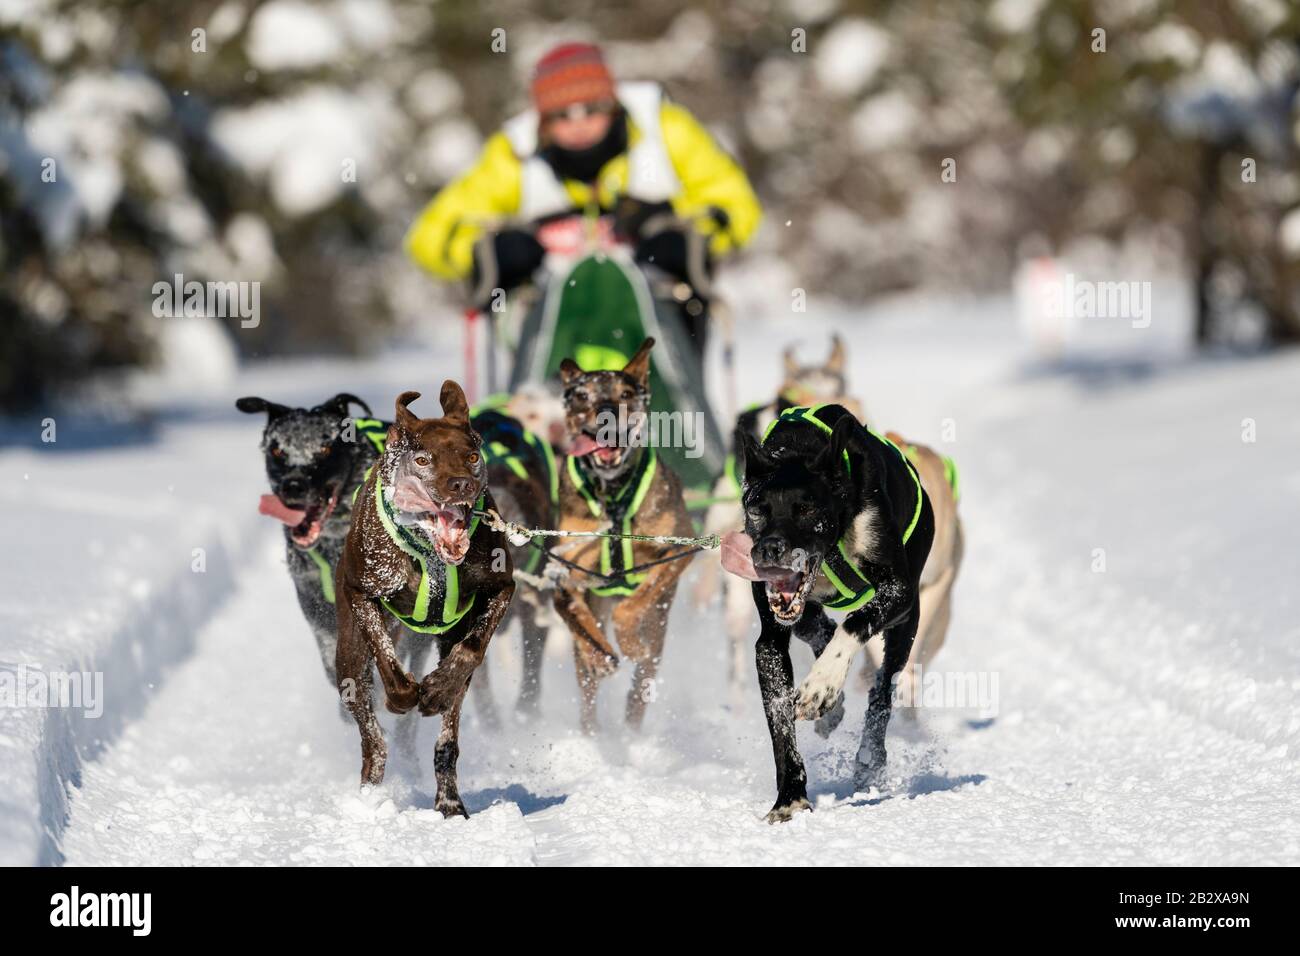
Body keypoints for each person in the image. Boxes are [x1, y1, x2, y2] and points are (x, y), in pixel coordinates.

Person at [404, 42, 762, 350]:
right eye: (562, 114)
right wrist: (487, 251)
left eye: (591, 109)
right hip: (551, 337)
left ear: (613, 105)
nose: (578, 123)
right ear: (542, 121)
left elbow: (733, 202)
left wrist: (689, 237)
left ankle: (679, 427)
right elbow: (431, 236)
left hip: (661, 321)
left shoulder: (664, 131)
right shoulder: (514, 154)